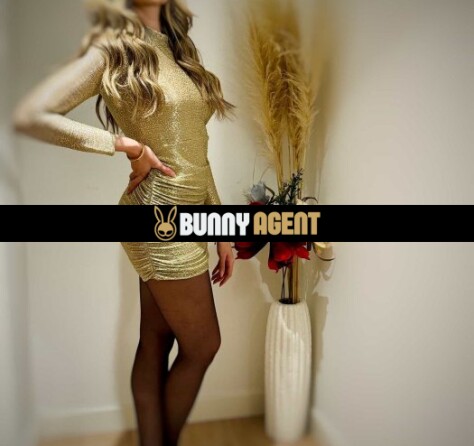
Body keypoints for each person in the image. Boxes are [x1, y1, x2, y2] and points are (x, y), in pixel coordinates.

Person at [12, 0, 236, 445]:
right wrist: (127, 146)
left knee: (156, 341)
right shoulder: (112, 48)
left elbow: (198, 153)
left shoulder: (179, 49)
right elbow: (33, 115)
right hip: (157, 216)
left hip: (189, 215)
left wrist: (221, 228)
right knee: (203, 345)